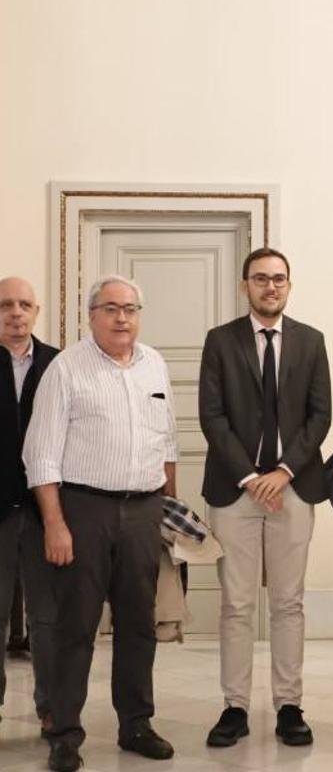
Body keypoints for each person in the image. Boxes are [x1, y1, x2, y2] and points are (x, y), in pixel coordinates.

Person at [23, 275, 177, 772]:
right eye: (110, 309)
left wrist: (166, 513)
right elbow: (40, 455)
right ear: (91, 316)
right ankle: (64, 732)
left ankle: (136, 723)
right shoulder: (67, 369)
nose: (122, 318)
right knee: (76, 627)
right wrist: (55, 524)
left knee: (139, 625)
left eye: (130, 308)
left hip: (144, 512)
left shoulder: (154, 364)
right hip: (84, 511)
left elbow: (167, 443)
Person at [198, 247, 332, 748]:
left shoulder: (311, 341)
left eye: (278, 279)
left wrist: (283, 470)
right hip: (235, 491)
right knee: (235, 603)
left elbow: (320, 416)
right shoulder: (220, 341)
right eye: (260, 279)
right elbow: (212, 416)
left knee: (288, 602)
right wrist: (252, 476)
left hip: (294, 487)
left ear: (289, 286)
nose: (270, 287)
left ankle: (289, 705)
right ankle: (234, 707)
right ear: (244, 286)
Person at [0, 277, 58, 734]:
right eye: (5, 305)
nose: (15, 312)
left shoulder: (60, 365)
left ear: (37, 311)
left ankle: (52, 711)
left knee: (48, 619)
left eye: (23, 305)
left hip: (45, 514)